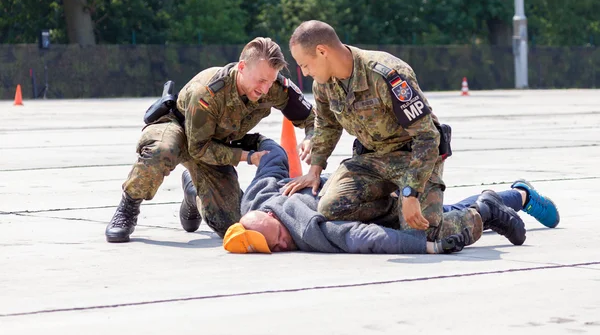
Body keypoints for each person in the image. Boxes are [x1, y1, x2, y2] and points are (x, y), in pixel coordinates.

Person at [282, 20, 526, 245]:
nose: (304, 72)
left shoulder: (385, 74)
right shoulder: (324, 84)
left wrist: (410, 191)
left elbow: (427, 137)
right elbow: (327, 125)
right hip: (372, 160)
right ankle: (404, 213)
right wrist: (315, 170)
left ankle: (485, 211)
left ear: (322, 51)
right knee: (330, 210)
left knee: (421, 237)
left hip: (415, 160)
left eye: (305, 64)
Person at [105, 37, 315, 242]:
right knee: (162, 150)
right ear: (242, 67)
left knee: (233, 223)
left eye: (270, 81)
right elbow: (197, 148)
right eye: (261, 80)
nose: (265, 89)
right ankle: (128, 208)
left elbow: (312, 118)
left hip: (218, 142)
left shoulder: (275, 87)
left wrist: (311, 137)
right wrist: (248, 157)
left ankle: (193, 192)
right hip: (179, 130)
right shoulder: (208, 91)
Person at [209, 138, 546, 254]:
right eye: (274, 247)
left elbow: (364, 237)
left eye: (278, 239)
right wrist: (253, 149)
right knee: (452, 209)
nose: (282, 246)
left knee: (433, 227)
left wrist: (426, 248)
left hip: (368, 195)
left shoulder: (310, 228)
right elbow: (273, 158)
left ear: (272, 219)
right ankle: (519, 195)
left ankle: (490, 209)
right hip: (361, 191)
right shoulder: (256, 202)